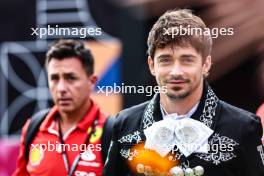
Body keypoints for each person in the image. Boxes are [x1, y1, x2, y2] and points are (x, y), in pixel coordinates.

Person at [103, 9, 264, 176]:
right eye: (165, 60)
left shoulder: (243, 127)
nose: (176, 71)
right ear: (151, 65)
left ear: (206, 64)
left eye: (187, 60)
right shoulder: (124, 124)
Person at [13, 39, 113, 176]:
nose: (61, 88)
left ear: (91, 82)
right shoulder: (34, 127)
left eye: (71, 78)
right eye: (54, 78)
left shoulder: (112, 132)